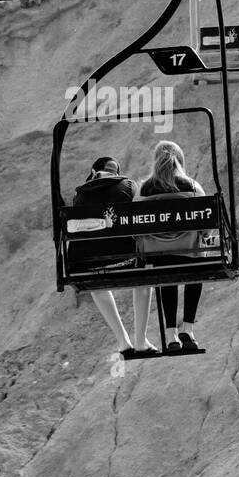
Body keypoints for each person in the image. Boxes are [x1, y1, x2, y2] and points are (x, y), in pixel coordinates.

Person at [71, 156, 156, 355]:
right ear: (116, 172)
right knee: (143, 279)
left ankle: (123, 341)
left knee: (96, 285)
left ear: (93, 172)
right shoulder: (128, 186)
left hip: (91, 265)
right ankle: (141, 340)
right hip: (128, 260)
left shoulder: (80, 196)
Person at [134, 140, 207, 353]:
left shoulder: (144, 189)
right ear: (180, 161)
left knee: (167, 275)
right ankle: (188, 328)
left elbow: (135, 226)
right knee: (197, 266)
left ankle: (171, 335)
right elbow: (206, 222)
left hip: (157, 257)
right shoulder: (192, 186)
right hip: (189, 255)